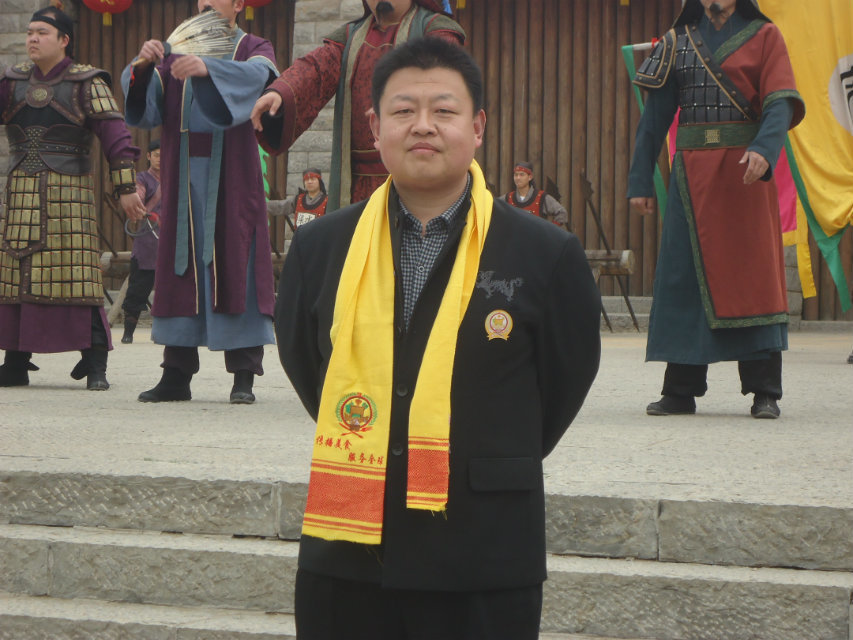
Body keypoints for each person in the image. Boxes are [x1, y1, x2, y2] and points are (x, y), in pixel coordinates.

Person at [275, 37, 601, 640]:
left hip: (483, 552)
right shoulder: (320, 248)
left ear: (477, 127)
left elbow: (564, 380)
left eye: (443, 111)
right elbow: (304, 361)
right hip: (348, 557)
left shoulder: (545, 253)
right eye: (403, 110)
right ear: (375, 128)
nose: (422, 125)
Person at [627, 0, 805, 419]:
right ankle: (680, 390)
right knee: (684, 279)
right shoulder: (676, 42)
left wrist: (764, 149)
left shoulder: (765, 36)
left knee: (754, 278)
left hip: (746, 176)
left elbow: (779, 102)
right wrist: (640, 181)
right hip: (691, 180)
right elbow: (654, 119)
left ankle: (764, 391)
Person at [121, 0, 279, 404]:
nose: (205, 2)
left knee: (237, 262)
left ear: (238, 4)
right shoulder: (178, 47)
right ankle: (176, 374)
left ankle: (243, 374)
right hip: (183, 173)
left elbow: (260, 78)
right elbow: (147, 109)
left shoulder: (252, 46)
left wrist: (210, 69)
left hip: (234, 175)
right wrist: (143, 65)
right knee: (180, 267)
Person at [0, 7, 145, 391]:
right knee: (15, 275)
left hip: (69, 200)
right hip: (20, 196)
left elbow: (117, 139)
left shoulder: (87, 82)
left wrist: (126, 188)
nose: (33, 38)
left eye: (42, 32)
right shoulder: (11, 81)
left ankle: (95, 364)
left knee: (77, 277)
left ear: (64, 40)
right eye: (30, 32)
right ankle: (15, 362)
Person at [250, 0, 465, 211]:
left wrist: (398, 106)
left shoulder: (435, 31)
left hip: (416, 170)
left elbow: (444, 86)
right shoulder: (350, 37)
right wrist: (281, 92)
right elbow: (315, 69)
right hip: (355, 183)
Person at [121, 139, 162, 344]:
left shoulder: (176, 178)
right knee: (137, 289)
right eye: (156, 155)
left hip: (172, 240)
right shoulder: (142, 178)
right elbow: (139, 193)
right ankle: (128, 332)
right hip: (148, 239)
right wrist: (138, 201)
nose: (160, 159)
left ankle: (168, 334)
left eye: (164, 155)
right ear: (149, 156)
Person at [501, 161, 569, 230]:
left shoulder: (541, 197)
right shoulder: (507, 198)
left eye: (522, 175)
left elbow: (562, 212)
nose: (518, 178)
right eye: (516, 175)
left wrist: (550, 230)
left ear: (530, 177)